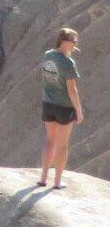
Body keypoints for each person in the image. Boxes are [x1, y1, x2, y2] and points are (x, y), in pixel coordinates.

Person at [38, 27, 84, 190]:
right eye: (73, 41)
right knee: (62, 145)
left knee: (50, 140)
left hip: (48, 104)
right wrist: (78, 111)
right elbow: (72, 91)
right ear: (64, 41)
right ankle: (57, 182)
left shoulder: (47, 55)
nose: (75, 45)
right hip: (64, 107)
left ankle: (43, 178)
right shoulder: (67, 62)